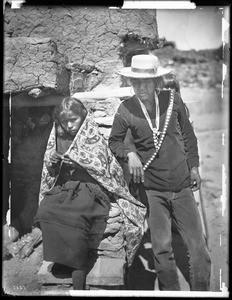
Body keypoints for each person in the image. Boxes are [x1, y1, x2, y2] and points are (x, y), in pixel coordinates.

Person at [108, 54, 211, 291]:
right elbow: (114, 142)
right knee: (162, 250)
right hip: (153, 191)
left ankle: (202, 292)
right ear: (130, 83)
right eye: (136, 82)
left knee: (198, 249)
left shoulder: (173, 99)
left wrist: (194, 166)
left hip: (182, 186)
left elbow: (188, 135)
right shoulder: (125, 110)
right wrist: (129, 153)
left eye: (146, 81)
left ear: (156, 82)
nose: (141, 87)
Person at [35, 97, 146, 290]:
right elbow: (49, 169)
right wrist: (54, 160)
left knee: (76, 215)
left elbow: (103, 168)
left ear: (83, 117)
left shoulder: (90, 132)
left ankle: (78, 265)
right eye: (64, 121)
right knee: (45, 210)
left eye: (73, 119)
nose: (69, 125)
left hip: (93, 188)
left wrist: (79, 164)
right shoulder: (57, 135)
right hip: (68, 186)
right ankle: (62, 257)